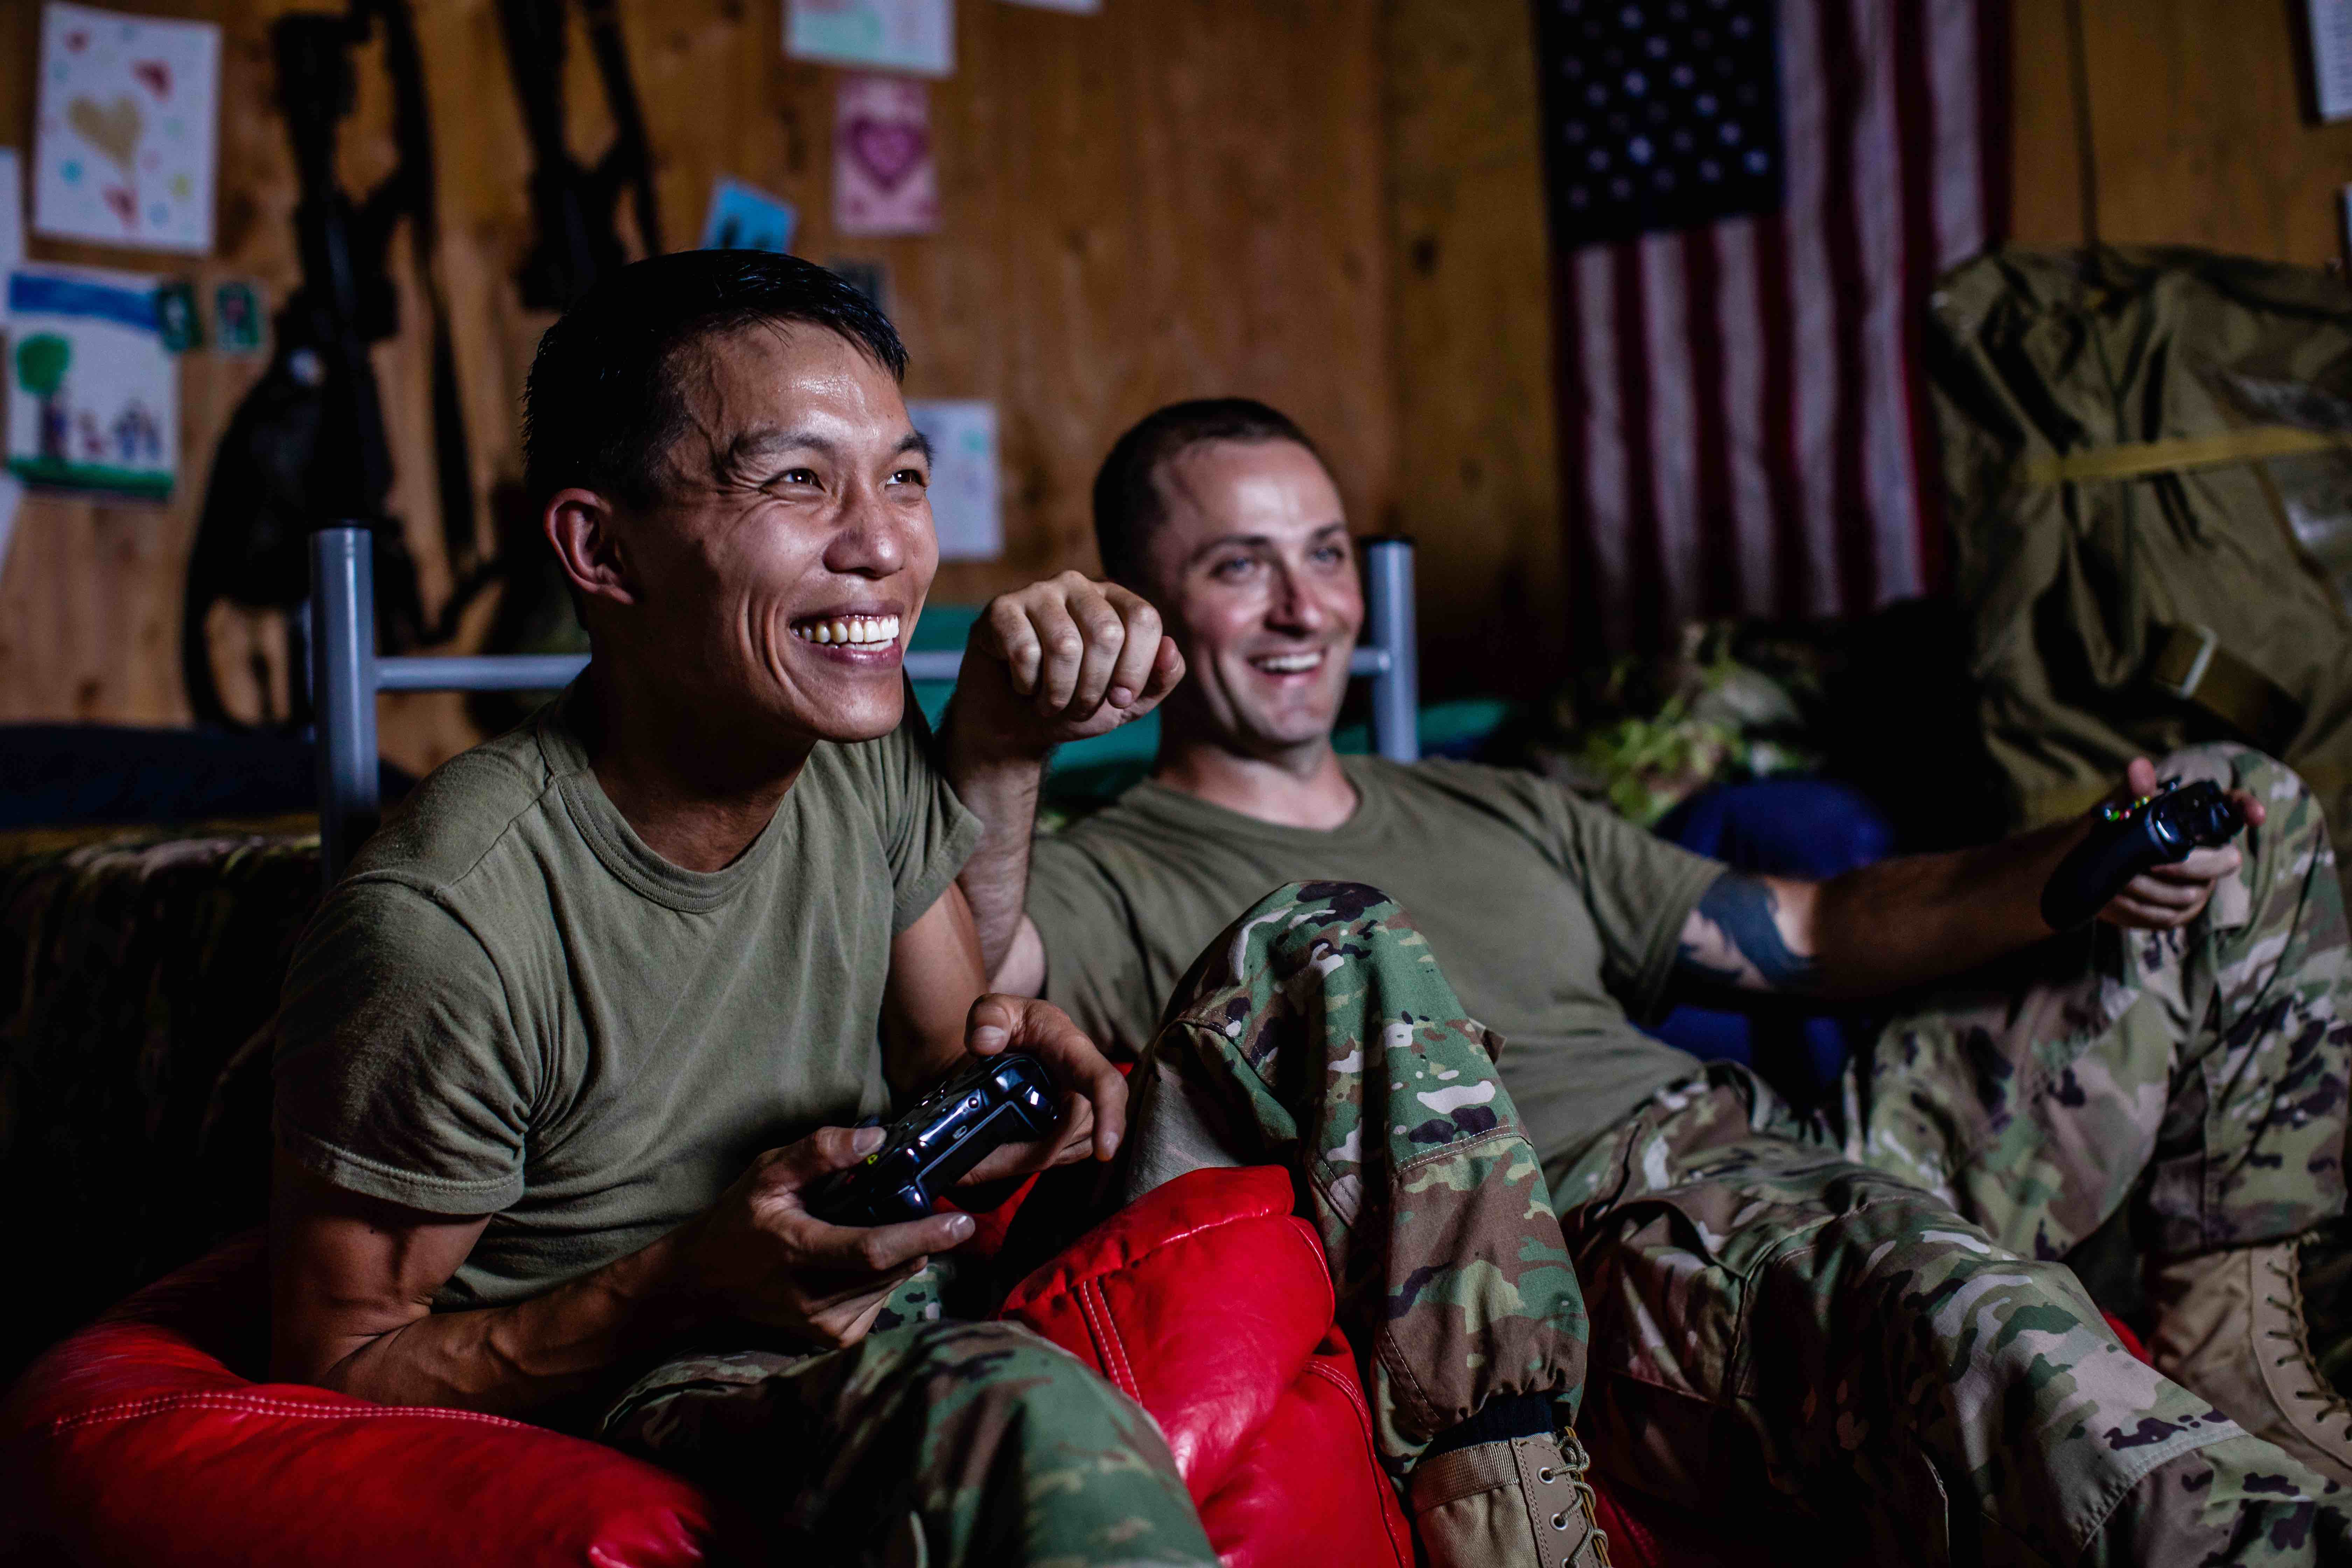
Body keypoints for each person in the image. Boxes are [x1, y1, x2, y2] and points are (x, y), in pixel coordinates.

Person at [267, 258, 1598, 1568]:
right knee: (1011, 1416)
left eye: (902, 478)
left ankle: (1517, 1521)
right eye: (796, 481)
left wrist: (1028, 1069)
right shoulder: (449, 920)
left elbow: (948, 1052)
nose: (885, 548)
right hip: (713, 1358)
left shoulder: (852, 735)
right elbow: (338, 1356)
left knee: (1335, 938)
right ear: (601, 547)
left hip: (933, 1254)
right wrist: (684, 1281)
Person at [948, 396, 2352, 1566]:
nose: (1306, 606)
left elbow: (1804, 932)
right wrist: (1006, 747)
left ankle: (2237, 1332)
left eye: (1322, 553)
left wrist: (2081, 862)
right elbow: (972, 991)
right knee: (1973, 1321)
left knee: (2246, 802)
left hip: (1796, 1157)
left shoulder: (1492, 802)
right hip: (1617, 1258)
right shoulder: (1119, 863)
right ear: (1146, 602)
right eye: (1240, 565)